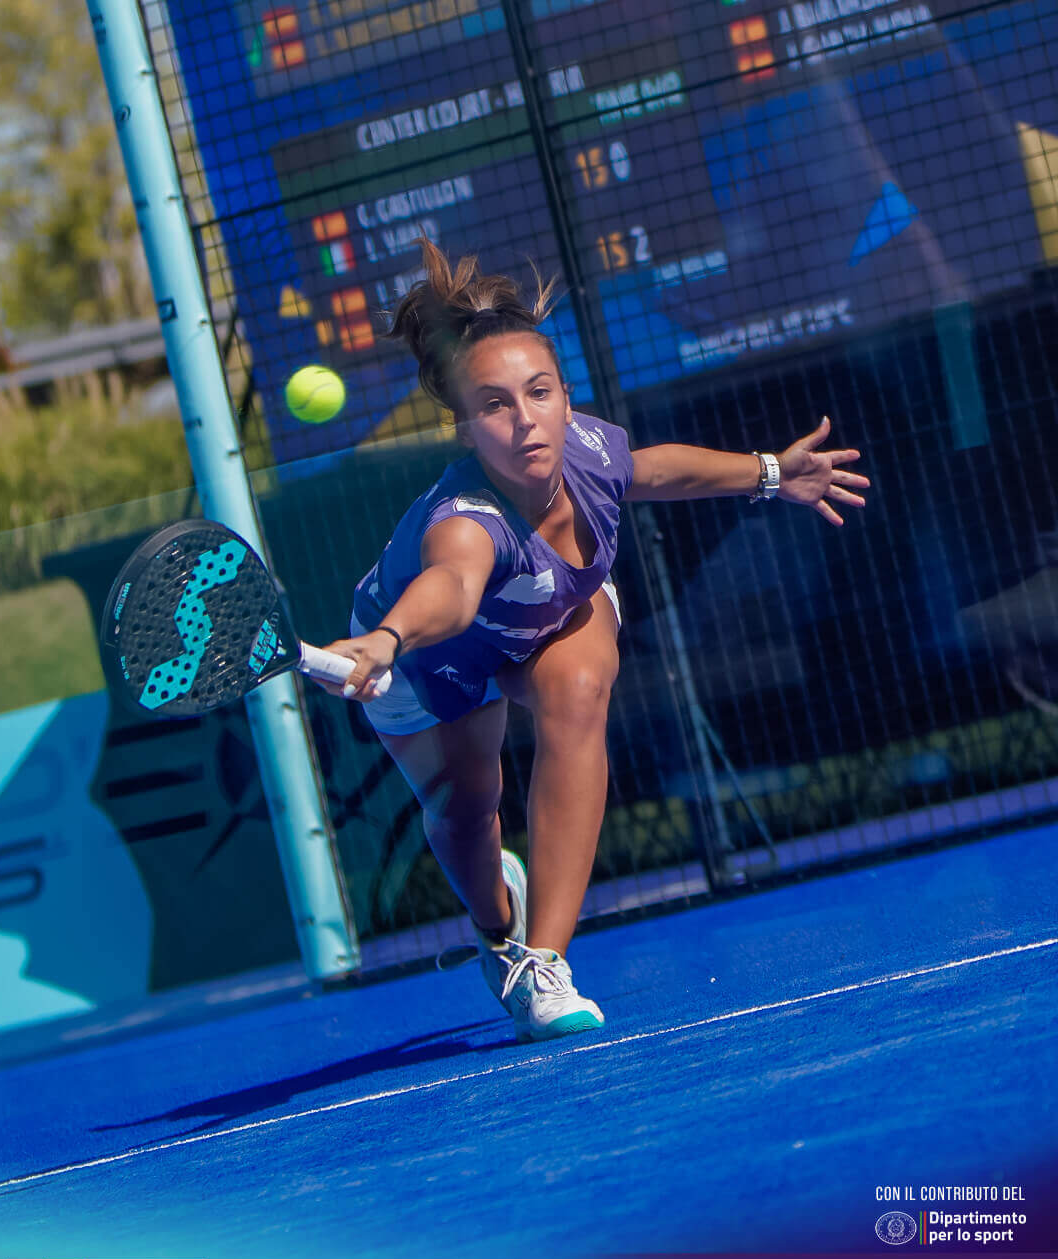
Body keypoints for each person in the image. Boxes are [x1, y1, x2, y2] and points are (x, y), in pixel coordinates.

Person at [315, 237, 868, 1043]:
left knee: (577, 692)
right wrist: (389, 638)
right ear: (465, 429)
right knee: (466, 815)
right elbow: (455, 590)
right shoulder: (466, 523)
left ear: (566, 401)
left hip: (548, 614)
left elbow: (653, 469)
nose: (524, 420)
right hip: (425, 656)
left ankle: (543, 963)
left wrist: (772, 473)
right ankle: (498, 926)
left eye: (539, 393)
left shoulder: (588, 449)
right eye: (495, 406)